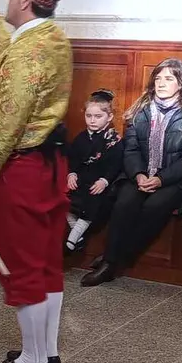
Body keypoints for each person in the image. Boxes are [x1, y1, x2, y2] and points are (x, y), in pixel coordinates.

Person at [0, 0, 72, 363]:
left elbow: (3, 125)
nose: (8, 1)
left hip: (21, 169)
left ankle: (32, 359)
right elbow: (7, 53)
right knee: (45, 261)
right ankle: (46, 350)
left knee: (22, 264)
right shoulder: (49, 38)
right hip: (49, 165)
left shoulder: (28, 52)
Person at [83, 59, 182, 287]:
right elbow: (131, 149)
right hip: (140, 174)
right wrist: (138, 174)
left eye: (169, 78)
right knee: (125, 202)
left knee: (154, 206)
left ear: (181, 83)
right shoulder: (140, 110)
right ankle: (109, 262)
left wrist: (161, 179)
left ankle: (115, 259)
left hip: (175, 179)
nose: (161, 83)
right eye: (158, 78)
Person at [65, 90, 123, 252]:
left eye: (98, 117)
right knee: (63, 200)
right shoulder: (81, 137)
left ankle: (71, 240)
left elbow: (116, 164)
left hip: (99, 182)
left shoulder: (113, 140)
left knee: (93, 201)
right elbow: (73, 158)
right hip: (81, 179)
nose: (92, 120)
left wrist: (104, 181)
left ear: (109, 117)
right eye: (88, 116)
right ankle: (78, 237)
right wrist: (71, 174)